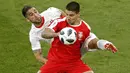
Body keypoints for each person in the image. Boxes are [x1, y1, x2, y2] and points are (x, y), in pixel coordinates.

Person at [39, 1, 118, 73]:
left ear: (78, 14)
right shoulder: (59, 22)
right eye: (67, 14)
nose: (68, 17)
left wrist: (104, 44)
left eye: (71, 15)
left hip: (73, 62)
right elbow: (45, 33)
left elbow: (91, 42)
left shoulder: (85, 28)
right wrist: (58, 34)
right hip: (55, 61)